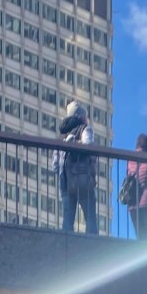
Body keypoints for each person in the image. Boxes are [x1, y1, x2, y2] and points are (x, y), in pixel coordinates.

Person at [56, 100, 98, 235]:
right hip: (83, 180)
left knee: (67, 219)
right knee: (90, 217)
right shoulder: (85, 129)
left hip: (66, 182)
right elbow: (89, 145)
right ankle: (92, 244)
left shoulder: (62, 136)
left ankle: (66, 245)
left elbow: (55, 164)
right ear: (81, 117)